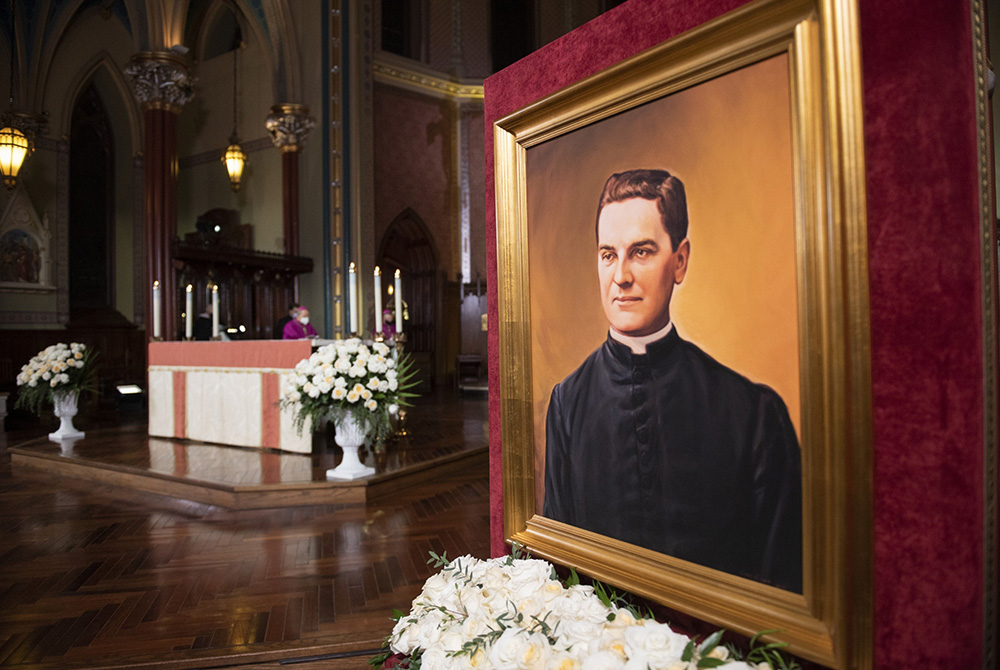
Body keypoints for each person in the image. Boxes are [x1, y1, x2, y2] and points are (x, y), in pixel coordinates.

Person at [543, 169, 802, 593]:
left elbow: (783, 585)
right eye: (608, 254)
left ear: (679, 261)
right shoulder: (567, 402)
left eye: (641, 252)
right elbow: (561, 567)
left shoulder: (753, 414)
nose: (620, 276)